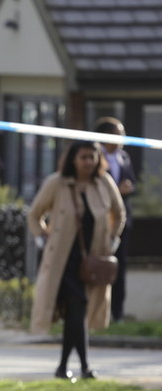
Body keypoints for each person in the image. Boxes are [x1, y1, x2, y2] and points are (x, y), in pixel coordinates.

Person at [28, 141, 125, 380]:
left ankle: (63, 367)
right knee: (78, 306)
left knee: (77, 312)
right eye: (83, 157)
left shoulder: (103, 183)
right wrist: (42, 237)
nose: (88, 162)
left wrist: (113, 239)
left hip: (93, 260)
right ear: (73, 159)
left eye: (92, 157)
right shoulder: (57, 183)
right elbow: (34, 213)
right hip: (63, 261)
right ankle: (84, 366)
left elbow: (119, 212)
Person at [93, 117, 137, 322]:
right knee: (97, 266)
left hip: (120, 225)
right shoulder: (92, 158)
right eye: (118, 134)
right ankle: (94, 312)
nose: (122, 139)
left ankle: (117, 314)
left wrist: (128, 189)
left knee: (119, 267)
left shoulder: (124, 157)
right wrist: (115, 192)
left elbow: (133, 183)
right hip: (99, 223)